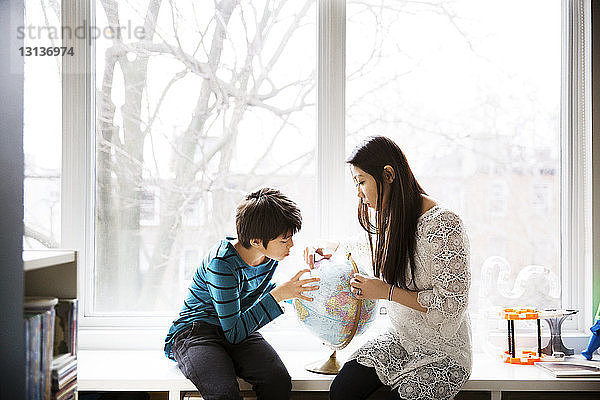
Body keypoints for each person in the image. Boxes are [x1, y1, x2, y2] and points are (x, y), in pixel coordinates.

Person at [306, 136, 472, 400]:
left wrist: (387, 292)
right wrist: (332, 245)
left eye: (361, 181)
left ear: (388, 175)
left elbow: (452, 304)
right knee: (342, 390)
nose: (359, 193)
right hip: (402, 339)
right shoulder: (393, 219)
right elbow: (364, 246)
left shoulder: (444, 224)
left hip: (444, 352)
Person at [164, 187, 320, 400]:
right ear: (256, 240)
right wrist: (278, 295)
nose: (291, 244)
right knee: (224, 393)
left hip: (238, 327)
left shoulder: (268, 256)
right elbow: (235, 332)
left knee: (278, 381)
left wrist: (309, 273)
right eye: (285, 240)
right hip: (197, 332)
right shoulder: (221, 264)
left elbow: (254, 300)